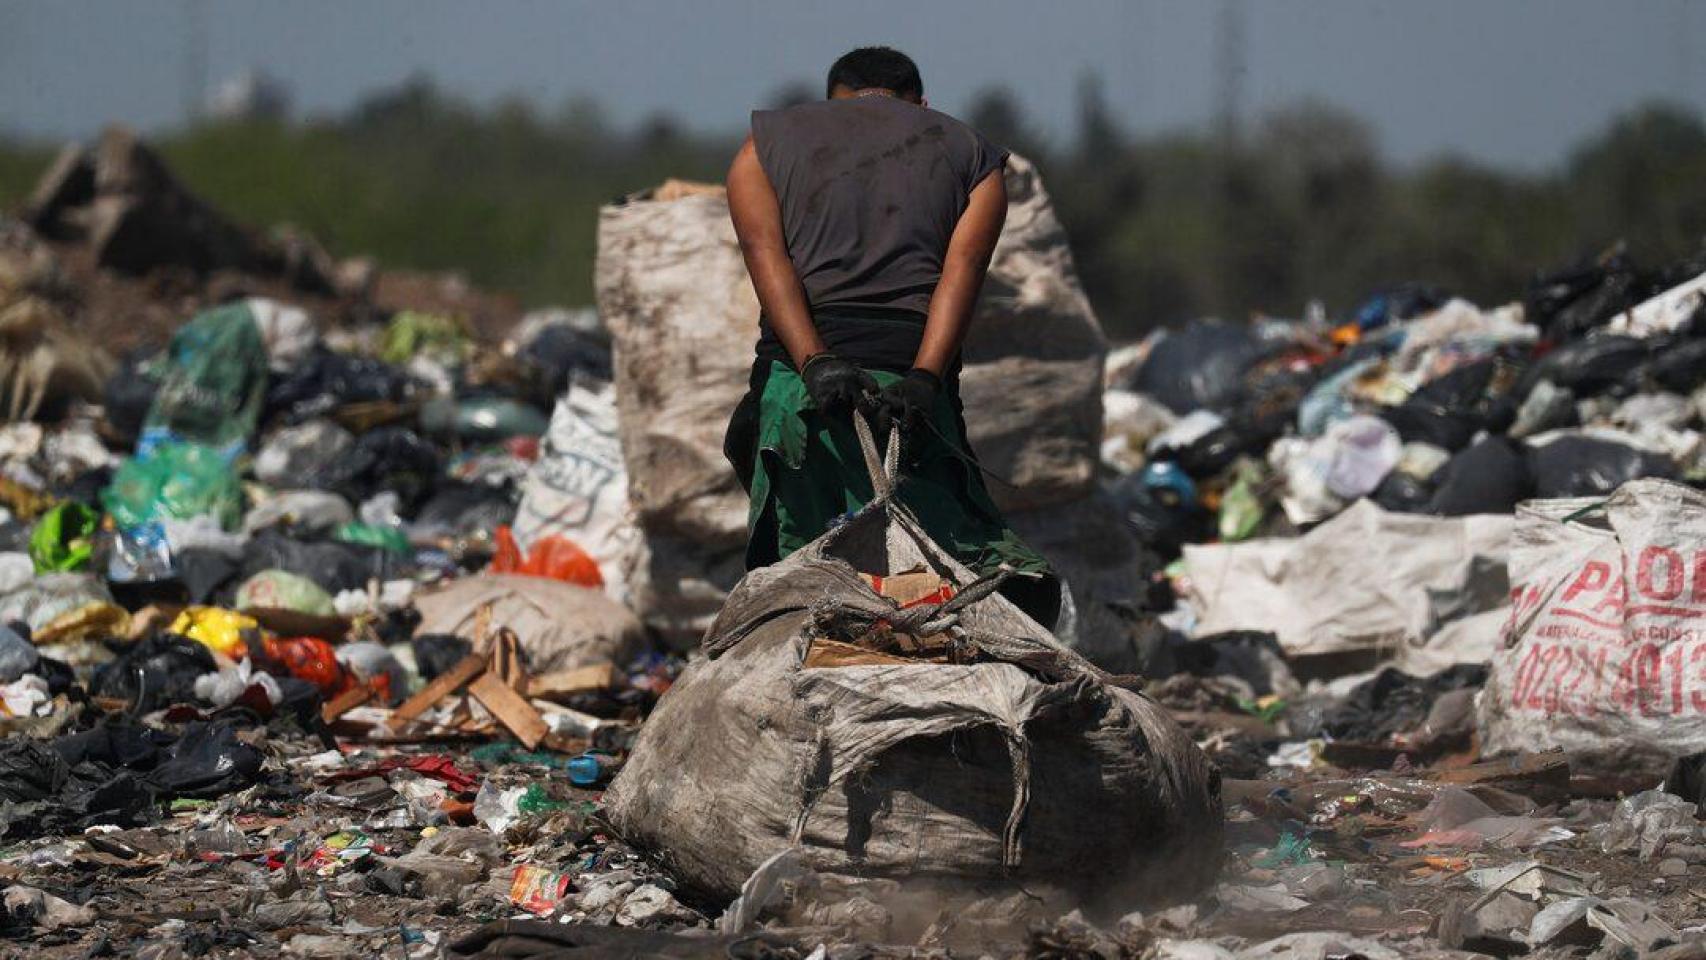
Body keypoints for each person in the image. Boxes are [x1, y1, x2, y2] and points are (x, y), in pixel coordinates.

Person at [722, 45, 1060, 627]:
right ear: (921, 103)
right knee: (949, 576)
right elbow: (964, 271)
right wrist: (925, 379)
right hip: (910, 394)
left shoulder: (762, 148)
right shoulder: (973, 155)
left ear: (833, 101)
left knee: (799, 583)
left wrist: (816, 364)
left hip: (799, 397)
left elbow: (765, 257)